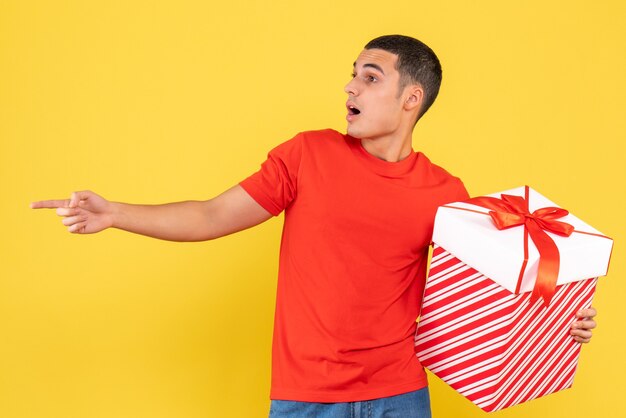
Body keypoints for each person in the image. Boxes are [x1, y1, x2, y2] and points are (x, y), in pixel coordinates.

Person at [31, 35, 597, 418]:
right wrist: (115, 214)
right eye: (351, 76)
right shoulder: (307, 155)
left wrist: (560, 317)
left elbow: (488, 293)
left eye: (370, 78)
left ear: (411, 99)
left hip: (398, 393)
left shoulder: (446, 194)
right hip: (306, 397)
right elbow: (210, 215)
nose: (350, 87)